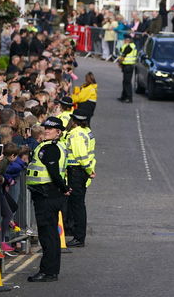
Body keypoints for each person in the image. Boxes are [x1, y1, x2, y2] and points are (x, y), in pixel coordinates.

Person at [26, 116, 71, 283]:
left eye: (50, 129)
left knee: (48, 236)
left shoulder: (51, 148)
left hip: (47, 195)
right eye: (45, 128)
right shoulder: (52, 146)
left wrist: (64, 188)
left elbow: (53, 172)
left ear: (58, 132)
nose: (46, 130)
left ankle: (48, 271)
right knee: (50, 235)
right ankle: (50, 270)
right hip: (48, 194)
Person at [64, 105, 96, 248]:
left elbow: (81, 155)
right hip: (82, 172)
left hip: (77, 171)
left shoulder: (76, 133)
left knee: (77, 205)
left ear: (74, 120)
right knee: (78, 204)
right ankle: (78, 235)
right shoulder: (87, 131)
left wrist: (89, 170)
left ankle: (78, 237)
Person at [118, 34, 137, 103]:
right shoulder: (131, 46)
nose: (124, 40)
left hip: (128, 66)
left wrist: (119, 63)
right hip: (127, 66)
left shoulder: (129, 47)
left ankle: (129, 97)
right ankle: (124, 96)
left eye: (125, 39)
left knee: (127, 82)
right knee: (125, 82)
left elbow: (123, 55)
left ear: (127, 40)